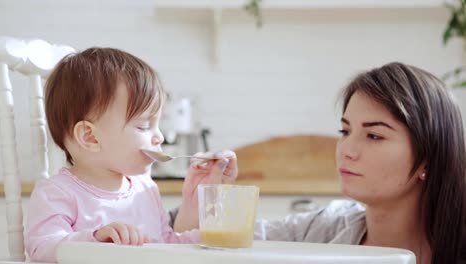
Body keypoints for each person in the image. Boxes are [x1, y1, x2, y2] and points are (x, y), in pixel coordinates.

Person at [171, 62, 466, 264]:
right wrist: (200, 201)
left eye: (374, 136)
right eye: (345, 131)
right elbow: (207, 248)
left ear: (428, 156)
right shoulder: (323, 228)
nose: (346, 149)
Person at [24, 47, 238, 263]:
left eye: (157, 125)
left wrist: (210, 236)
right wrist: (94, 239)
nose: (160, 137)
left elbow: (164, 242)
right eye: (144, 126)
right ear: (90, 137)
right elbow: (41, 248)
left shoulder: (145, 188)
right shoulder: (57, 193)